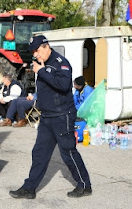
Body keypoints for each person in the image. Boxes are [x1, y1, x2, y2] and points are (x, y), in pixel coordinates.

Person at [9, 35, 92, 199]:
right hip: (47, 116)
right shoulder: (43, 64)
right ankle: (29, 188)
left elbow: (62, 85)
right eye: (33, 52)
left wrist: (41, 71)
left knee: (68, 152)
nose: (36, 55)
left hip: (62, 115)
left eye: (37, 51)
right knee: (39, 153)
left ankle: (84, 185)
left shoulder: (61, 63)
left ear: (46, 46)